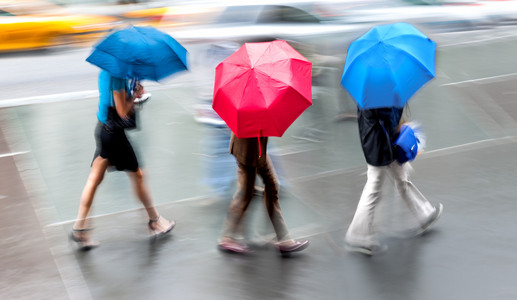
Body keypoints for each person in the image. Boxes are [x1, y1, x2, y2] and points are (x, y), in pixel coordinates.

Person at [70, 70, 175, 250]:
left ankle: (79, 229)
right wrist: (134, 96)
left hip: (103, 129)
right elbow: (122, 111)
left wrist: (133, 92)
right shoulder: (117, 75)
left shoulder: (107, 71)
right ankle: (155, 221)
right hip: (114, 136)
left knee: (95, 179)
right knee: (138, 175)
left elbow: (112, 102)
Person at [345, 107, 443, 255]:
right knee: (374, 187)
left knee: (401, 179)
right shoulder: (377, 92)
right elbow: (385, 116)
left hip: (384, 142)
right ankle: (357, 234)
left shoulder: (372, 90)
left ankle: (424, 213)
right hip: (379, 145)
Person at [218, 133, 310, 255]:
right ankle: (228, 237)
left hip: (255, 145)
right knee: (246, 193)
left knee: (268, 186)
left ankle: (283, 238)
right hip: (249, 149)